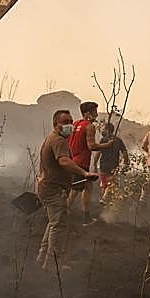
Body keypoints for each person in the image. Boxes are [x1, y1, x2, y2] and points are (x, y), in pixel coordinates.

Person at [36, 110, 97, 269]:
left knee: (53, 222)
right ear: (56, 124)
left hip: (50, 187)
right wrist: (84, 172)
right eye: (65, 122)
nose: (69, 125)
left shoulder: (54, 138)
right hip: (52, 189)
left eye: (71, 121)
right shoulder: (59, 141)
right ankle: (52, 264)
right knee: (59, 224)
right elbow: (63, 161)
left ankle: (42, 256)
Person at [67, 101, 114, 226]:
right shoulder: (89, 126)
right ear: (88, 113)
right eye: (95, 112)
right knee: (81, 189)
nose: (97, 115)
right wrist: (107, 145)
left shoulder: (74, 124)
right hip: (81, 163)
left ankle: (74, 215)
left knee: (80, 188)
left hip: (71, 161)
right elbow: (91, 146)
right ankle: (74, 217)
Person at [96, 122, 129, 202]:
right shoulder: (118, 140)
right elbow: (124, 153)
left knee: (105, 184)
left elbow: (98, 152)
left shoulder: (103, 140)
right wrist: (126, 163)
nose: (102, 131)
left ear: (107, 130)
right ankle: (104, 199)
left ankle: (103, 198)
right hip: (113, 166)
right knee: (110, 184)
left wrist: (94, 163)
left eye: (104, 129)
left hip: (103, 166)